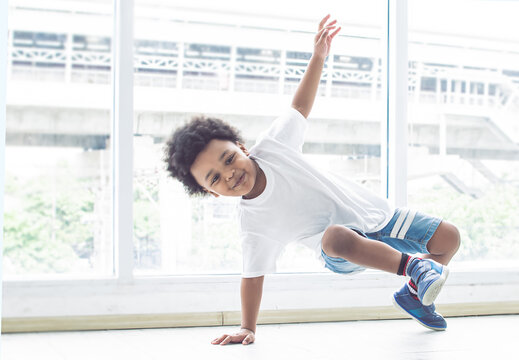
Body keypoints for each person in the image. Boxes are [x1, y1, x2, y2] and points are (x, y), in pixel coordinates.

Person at [163, 14, 461, 345]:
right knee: (335, 235)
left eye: (229, 159)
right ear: (211, 193)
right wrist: (248, 327)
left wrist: (318, 56)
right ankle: (416, 270)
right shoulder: (253, 223)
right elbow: (252, 276)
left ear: (243, 149)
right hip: (342, 250)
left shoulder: (274, 146)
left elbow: (299, 106)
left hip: (379, 216)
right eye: (215, 179)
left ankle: (413, 295)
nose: (230, 174)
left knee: (448, 237)